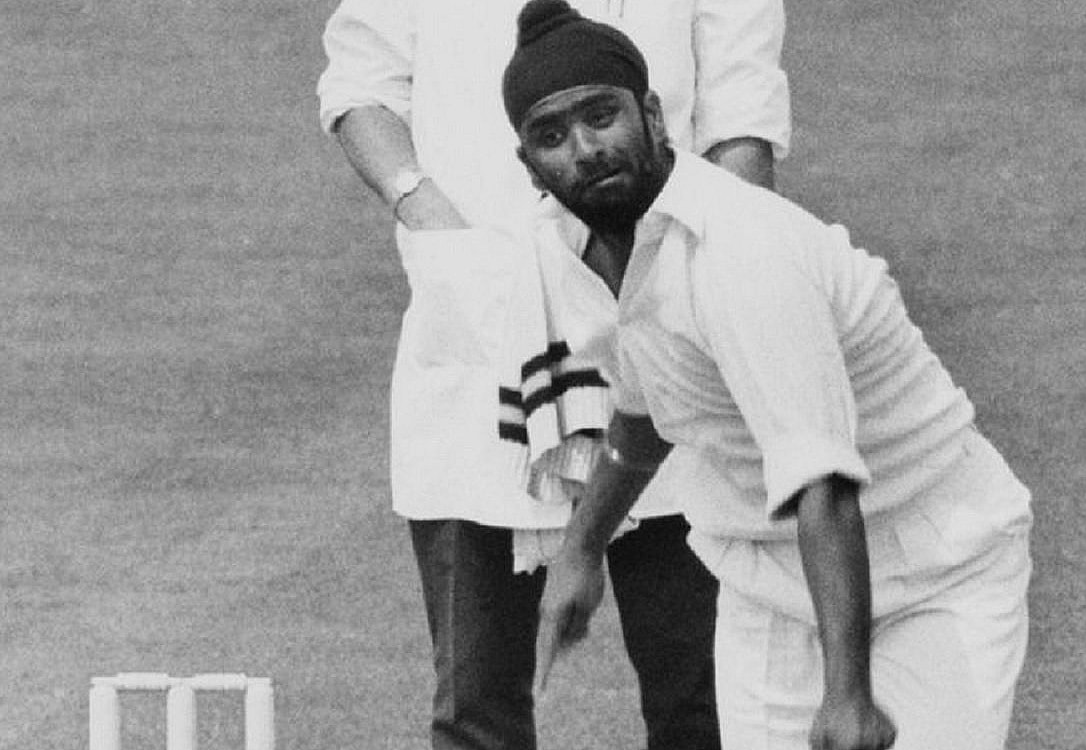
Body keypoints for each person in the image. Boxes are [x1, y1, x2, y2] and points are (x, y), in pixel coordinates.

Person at [505, 7, 1034, 750]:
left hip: (934, 565)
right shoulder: (572, 248)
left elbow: (822, 478)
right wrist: (581, 548)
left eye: (601, 116)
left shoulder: (742, 253)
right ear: (528, 164)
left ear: (652, 116)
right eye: (552, 136)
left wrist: (847, 697)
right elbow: (646, 404)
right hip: (767, 581)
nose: (586, 150)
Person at [316, 0, 791, 748]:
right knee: (477, 711)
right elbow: (359, 84)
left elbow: (744, 121)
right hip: (481, 338)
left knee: (706, 702)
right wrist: (432, 218)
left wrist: (717, 277)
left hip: (660, 318)